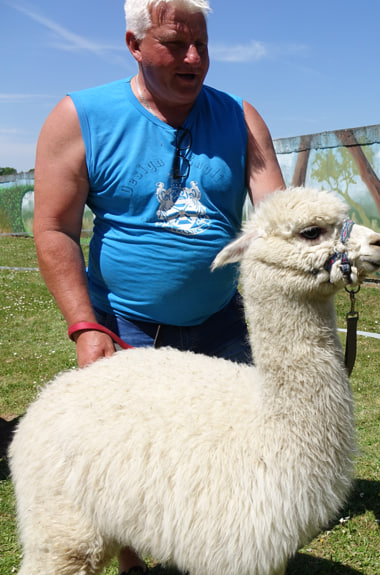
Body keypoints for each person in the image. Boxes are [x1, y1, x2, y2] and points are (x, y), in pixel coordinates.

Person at [32, 0, 285, 572]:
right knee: (121, 462)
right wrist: (84, 326)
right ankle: (131, 558)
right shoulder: (82, 116)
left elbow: (280, 216)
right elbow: (53, 228)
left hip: (223, 325)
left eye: (201, 43)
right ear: (134, 45)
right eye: (175, 43)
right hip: (125, 325)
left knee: (234, 458)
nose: (194, 57)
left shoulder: (240, 118)